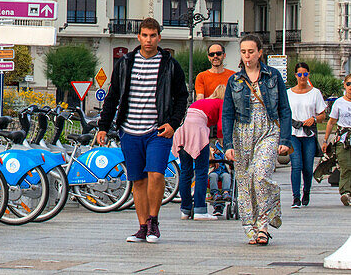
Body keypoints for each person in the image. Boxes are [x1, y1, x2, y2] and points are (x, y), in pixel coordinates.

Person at [96, 17, 188, 244]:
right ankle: (142, 226)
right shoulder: (125, 63)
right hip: (130, 130)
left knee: (156, 174)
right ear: (139, 37)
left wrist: (173, 123)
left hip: (158, 131)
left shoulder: (169, 65)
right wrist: (103, 127)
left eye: (153, 35)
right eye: (145, 35)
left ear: (159, 37)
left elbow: (182, 97)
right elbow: (113, 96)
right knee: (138, 181)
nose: (149, 40)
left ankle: (154, 221)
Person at [223, 33, 292, 246]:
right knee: (245, 182)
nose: (247, 56)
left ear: (260, 53)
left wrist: (286, 139)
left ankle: (264, 224)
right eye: (243, 52)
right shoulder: (234, 80)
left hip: (268, 130)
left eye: (251, 52)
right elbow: (227, 113)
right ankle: (251, 227)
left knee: (260, 175)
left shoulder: (273, 76)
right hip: (242, 132)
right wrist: (228, 144)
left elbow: (284, 109)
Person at [174, 84, 224, 220]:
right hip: (198, 133)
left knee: (186, 172)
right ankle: (200, 210)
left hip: (184, 133)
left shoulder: (201, 102)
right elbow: (220, 126)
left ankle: (185, 209)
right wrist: (223, 143)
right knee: (202, 171)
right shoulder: (221, 103)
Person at [287, 62, 326, 208]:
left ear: (308, 75)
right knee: (296, 165)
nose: (302, 77)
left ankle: (307, 191)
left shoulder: (315, 93)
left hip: (308, 134)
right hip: (293, 132)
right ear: (295, 75)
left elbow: (322, 114)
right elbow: (284, 113)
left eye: (305, 74)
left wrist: (314, 119)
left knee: (308, 167)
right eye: (299, 74)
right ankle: (295, 197)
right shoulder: (288, 93)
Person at [321, 73, 351, 206]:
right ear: (344, 85)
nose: (350, 87)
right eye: (348, 84)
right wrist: (325, 140)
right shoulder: (339, 102)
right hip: (343, 139)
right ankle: (345, 192)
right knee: (346, 166)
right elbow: (331, 122)